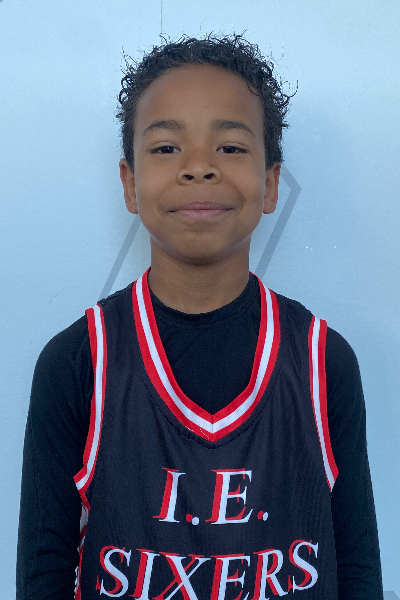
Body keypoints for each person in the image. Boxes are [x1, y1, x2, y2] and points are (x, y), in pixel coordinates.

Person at [16, 33, 384, 599]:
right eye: (166, 148)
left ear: (270, 184)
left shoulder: (321, 360)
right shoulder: (77, 362)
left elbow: (357, 564)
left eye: (230, 147)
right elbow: (43, 569)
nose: (198, 167)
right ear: (130, 183)